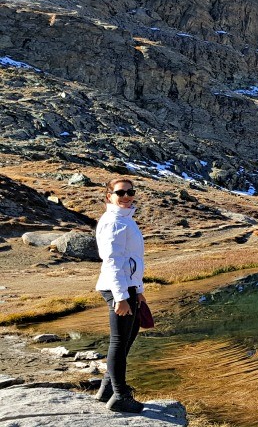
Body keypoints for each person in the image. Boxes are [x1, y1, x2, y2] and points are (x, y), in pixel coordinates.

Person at [94, 177, 146, 413]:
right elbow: (113, 262)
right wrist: (121, 297)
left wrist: (139, 291)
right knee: (119, 340)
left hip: (128, 287)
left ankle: (107, 388)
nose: (126, 196)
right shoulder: (114, 221)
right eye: (120, 193)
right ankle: (120, 395)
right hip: (119, 288)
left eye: (130, 192)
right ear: (109, 196)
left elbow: (132, 261)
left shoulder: (125, 219)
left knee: (127, 336)